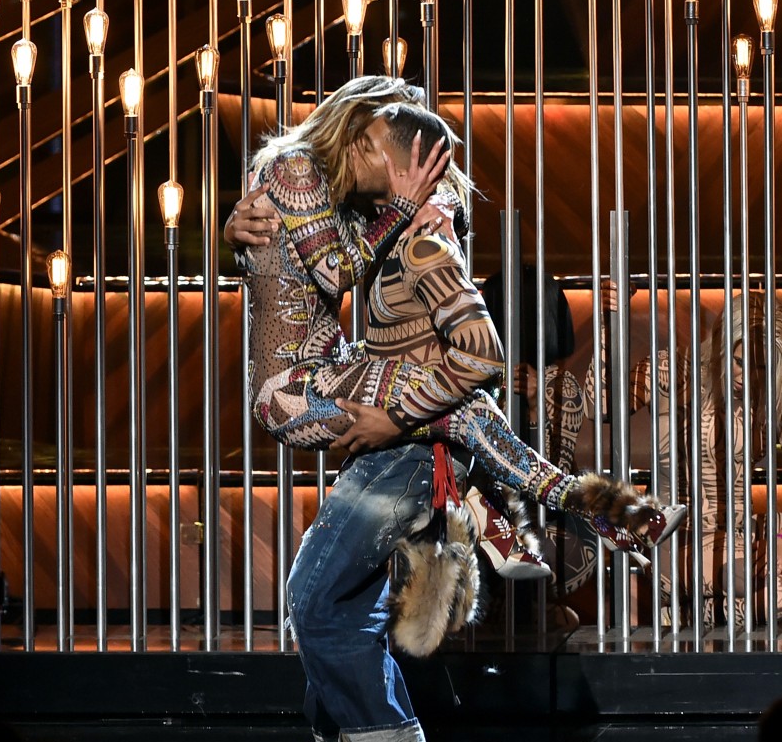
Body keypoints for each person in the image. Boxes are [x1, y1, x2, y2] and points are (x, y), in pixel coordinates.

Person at [225, 94, 684, 742]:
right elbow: (327, 271)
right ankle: (579, 503)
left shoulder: (417, 232)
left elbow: (477, 352)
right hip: (309, 388)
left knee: (325, 599)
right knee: (332, 599)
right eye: (377, 141)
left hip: (364, 415)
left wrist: (392, 420)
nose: (377, 160)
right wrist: (244, 234)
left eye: (389, 151)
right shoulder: (335, 196)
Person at [224, 75, 685, 559]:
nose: (404, 166)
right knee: (464, 409)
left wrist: (441, 205)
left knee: (466, 402)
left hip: (333, 364)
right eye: (388, 134)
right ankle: (585, 515)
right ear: (357, 124)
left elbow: (443, 200)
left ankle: (540, 526)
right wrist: (401, 206)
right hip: (292, 392)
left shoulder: (344, 190)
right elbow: (336, 272)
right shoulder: (299, 169)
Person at [585, 287, 782, 627]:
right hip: (678, 541)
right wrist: (607, 323)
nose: (746, 377)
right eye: (739, 361)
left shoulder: (764, 402)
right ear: (723, 339)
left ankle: (699, 611)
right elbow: (597, 404)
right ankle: (701, 605)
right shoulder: (673, 373)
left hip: (738, 542)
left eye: (761, 366)